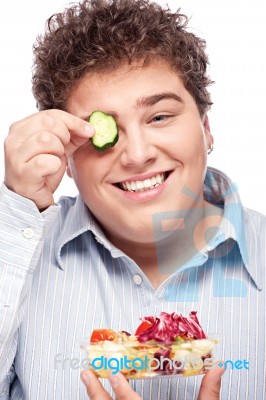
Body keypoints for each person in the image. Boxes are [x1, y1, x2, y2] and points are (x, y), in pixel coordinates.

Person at [0, 0, 265, 399]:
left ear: (206, 129)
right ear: (67, 158)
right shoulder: (18, 256)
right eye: (104, 130)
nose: (138, 154)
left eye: (159, 117)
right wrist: (17, 209)